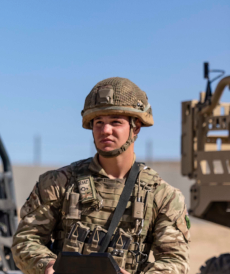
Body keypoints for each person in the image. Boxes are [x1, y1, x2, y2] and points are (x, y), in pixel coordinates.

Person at [11, 78, 190, 274]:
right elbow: (26, 239)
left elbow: (175, 262)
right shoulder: (59, 183)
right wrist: (47, 266)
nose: (105, 130)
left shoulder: (163, 196)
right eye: (99, 122)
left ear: (136, 127)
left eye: (115, 122)